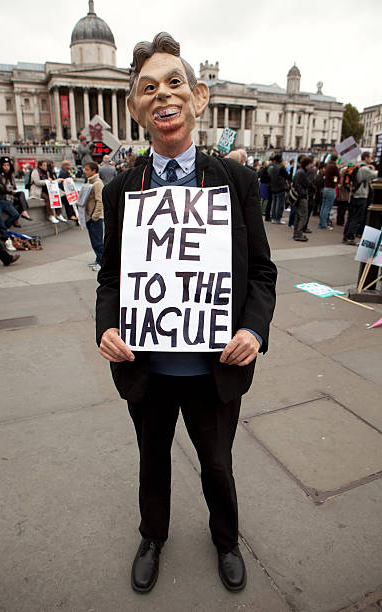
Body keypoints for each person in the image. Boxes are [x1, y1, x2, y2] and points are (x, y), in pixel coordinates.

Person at [96, 32, 277, 595]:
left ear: (197, 97)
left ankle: (227, 539)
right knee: (153, 461)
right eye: (148, 88)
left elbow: (263, 275)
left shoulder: (238, 182)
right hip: (148, 367)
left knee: (217, 467)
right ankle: (153, 536)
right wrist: (105, 325)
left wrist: (252, 328)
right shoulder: (123, 190)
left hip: (213, 368)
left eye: (174, 83)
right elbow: (109, 276)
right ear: (135, 108)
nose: (163, 96)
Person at [343, 151, 378, 245]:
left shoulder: (356, 166)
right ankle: (350, 237)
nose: (371, 160)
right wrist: (373, 168)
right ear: (366, 158)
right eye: (370, 158)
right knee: (357, 218)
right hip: (361, 195)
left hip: (353, 194)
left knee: (350, 217)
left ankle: (346, 236)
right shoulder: (365, 169)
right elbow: (376, 175)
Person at [0, 157, 32, 224]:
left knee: (21, 194)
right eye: (4, 165)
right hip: (4, 196)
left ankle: (24, 212)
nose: (6, 167)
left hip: (11, 194)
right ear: (2, 166)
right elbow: (0, 188)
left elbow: (14, 186)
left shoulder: (11, 175)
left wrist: (14, 190)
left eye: (8, 165)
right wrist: (10, 191)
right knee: (20, 202)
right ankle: (16, 218)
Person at [84, 161, 104, 271]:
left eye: (87, 169)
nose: (85, 171)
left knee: (98, 241)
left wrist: (95, 216)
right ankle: (98, 259)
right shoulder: (91, 182)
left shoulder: (97, 183)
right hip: (90, 216)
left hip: (95, 217)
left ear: (93, 171)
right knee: (94, 241)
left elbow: (100, 201)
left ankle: (102, 262)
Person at [292, 156, 313, 242]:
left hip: (298, 196)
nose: (311, 166)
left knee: (299, 215)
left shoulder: (299, 171)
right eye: (310, 164)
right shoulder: (302, 173)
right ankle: (298, 233)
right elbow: (307, 184)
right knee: (303, 215)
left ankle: (296, 233)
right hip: (301, 196)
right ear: (307, 164)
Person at [319, 154, 339, 229]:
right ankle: (324, 224)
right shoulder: (334, 167)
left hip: (326, 187)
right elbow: (338, 176)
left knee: (324, 206)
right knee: (327, 207)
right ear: (336, 159)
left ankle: (322, 222)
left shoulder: (327, 165)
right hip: (331, 188)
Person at [268, 154, 289, 224]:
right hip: (281, 187)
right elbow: (286, 176)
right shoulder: (281, 167)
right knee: (280, 204)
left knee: (274, 203)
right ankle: (278, 218)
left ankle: (273, 217)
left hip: (273, 186)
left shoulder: (272, 167)